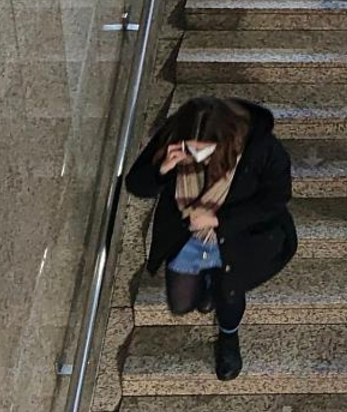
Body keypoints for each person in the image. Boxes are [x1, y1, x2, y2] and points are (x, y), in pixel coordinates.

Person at [125, 97, 297, 381]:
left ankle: (228, 338)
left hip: (239, 239)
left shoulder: (261, 149)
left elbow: (276, 198)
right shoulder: (178, 134)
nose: (194, 153)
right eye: (191, 145)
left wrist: (219, 220)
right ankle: (208, 283)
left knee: (228, 295)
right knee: (182, 303)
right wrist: (162, 170)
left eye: (203, 148)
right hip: (187, 236)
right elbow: (136, 184)